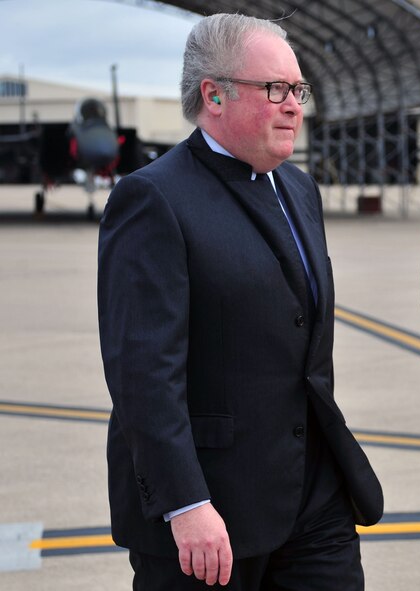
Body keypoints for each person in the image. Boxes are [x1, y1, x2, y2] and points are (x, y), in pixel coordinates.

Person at [97, 13, 382, 590]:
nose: (295, 105)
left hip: (312, 496)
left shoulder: (299, 189)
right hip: (212, 514)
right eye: (276, 89)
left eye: (298, 90)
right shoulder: (153, 199)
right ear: (215, 95)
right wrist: (185, 503)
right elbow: (142, 374)